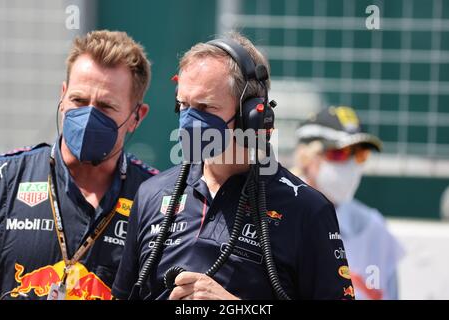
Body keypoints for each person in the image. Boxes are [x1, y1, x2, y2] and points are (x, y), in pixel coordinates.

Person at [112, 32, 354, 300]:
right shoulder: (151, 194)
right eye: (183, 105)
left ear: (251, 116)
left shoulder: (307, 210)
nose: (189, 120)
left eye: (205, 107)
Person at [0, 30, 159, 300]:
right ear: (62, 96)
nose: (88, 116)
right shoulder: (6, 179)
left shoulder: (155, 200)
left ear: (136, 117)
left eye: (106, 106)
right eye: (79, 100)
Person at [293, 106, 404, 300]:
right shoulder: (273, 215)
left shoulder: (373, 227)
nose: (352, 164)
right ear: (307, 156)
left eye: (360, 154)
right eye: (340, 153)